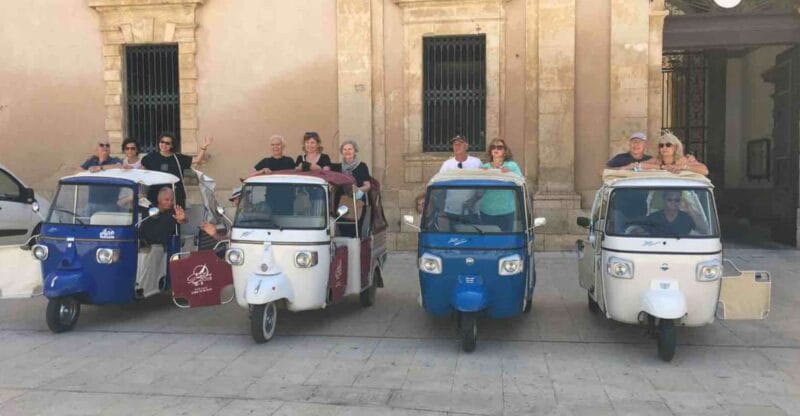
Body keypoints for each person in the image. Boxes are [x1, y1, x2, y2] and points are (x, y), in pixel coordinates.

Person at [141, 132, 213, 207]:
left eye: (167, 143)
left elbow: (197, 160)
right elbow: (141, 171)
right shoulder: (150, 158)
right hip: (155, 196)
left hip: (175, 197)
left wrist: (204, 146)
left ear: (172, 145)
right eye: (162, 142)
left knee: (176, 217)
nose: (164, 145)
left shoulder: (178, 158)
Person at [478, 139, 523, 231]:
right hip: (487, 210)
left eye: (499, 147)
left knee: (506, 240)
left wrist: (511, 173)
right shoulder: (484, 167)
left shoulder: (512, 166)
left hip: (506, 210)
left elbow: (521, 181)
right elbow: (479, 188)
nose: (496, 149)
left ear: (505, 151)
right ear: (490, 151)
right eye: (493, 147)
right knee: (488, 240)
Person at [331, 140, 371, 237]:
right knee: (343, 231)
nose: (347, 151)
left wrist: (358, 189)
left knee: (356, 231)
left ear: (354, 151)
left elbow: (367, 185)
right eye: (345, 149)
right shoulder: (337, 167)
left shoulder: (362, 166)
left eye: (350, 149)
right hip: (341, 204)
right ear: (342, 152)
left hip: (357, 203)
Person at [644, 131, 709, 175]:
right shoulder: (656, 160)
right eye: (661, 145)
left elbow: (705, 171)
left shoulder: (683, 160)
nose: (664, 148)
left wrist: (683, 167)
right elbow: (636, 166)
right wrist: (662, 167)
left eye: (668, 145)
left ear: (675, 147)